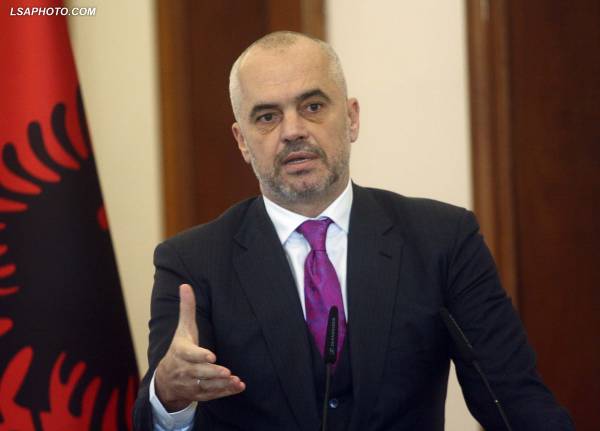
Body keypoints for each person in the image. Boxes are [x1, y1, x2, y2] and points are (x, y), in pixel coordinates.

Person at [133, 31, 573, 430]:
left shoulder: (442, 240)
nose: (293, 131)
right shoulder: (192, 262)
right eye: (267, 117)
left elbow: (513, 397)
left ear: (351, 118)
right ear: (242, 141)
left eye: (313, 106)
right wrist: (168, 397)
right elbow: (155, 417)